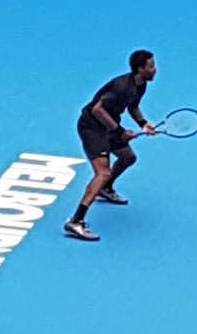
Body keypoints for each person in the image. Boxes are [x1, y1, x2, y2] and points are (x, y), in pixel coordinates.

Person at [64, 49, 158, 241]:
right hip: (92, 127)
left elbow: (133, 106)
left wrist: (143, 124)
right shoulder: (122, 86)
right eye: (151, 66)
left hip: (108, 126)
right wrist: (119, 132)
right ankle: (76, 221)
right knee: (103, 172)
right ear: (140, 69)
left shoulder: (141, 86)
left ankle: (106, 189)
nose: (155, 70)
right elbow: (98, 110)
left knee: (128, 157)